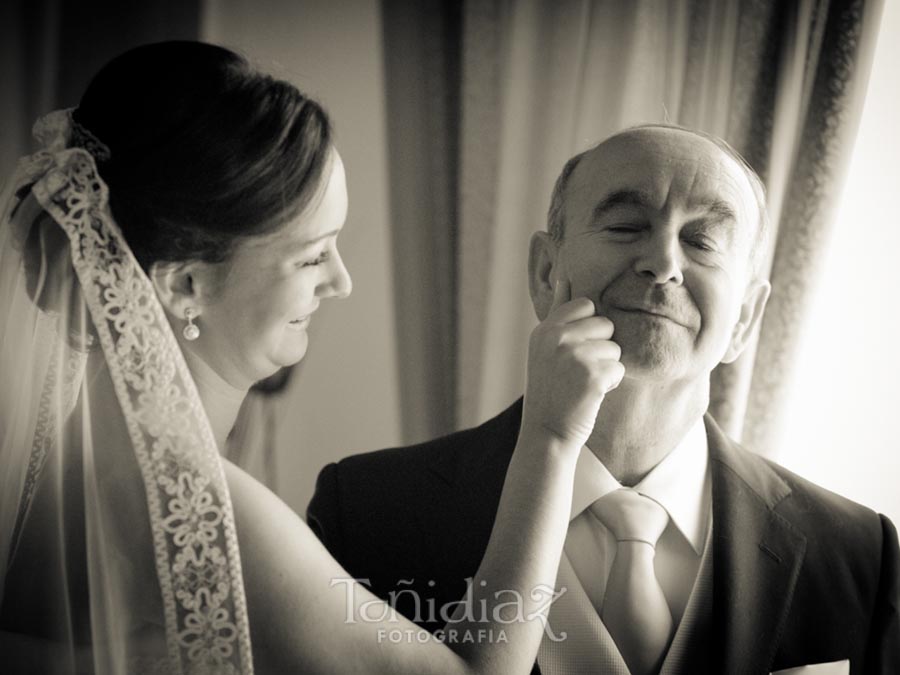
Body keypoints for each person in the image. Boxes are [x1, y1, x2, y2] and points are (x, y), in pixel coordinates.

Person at [0, 41, 625, 674]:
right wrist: (549, 437)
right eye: (311, 256)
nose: (341, 281)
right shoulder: (188, 507)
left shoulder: (71, 457)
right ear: (185, 285)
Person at [309, 125, 900, 674]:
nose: (664, 263)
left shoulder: (858, 555)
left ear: (745, 318)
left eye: (701, 240)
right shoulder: (365, 511)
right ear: (546, 273)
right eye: (625, 227)